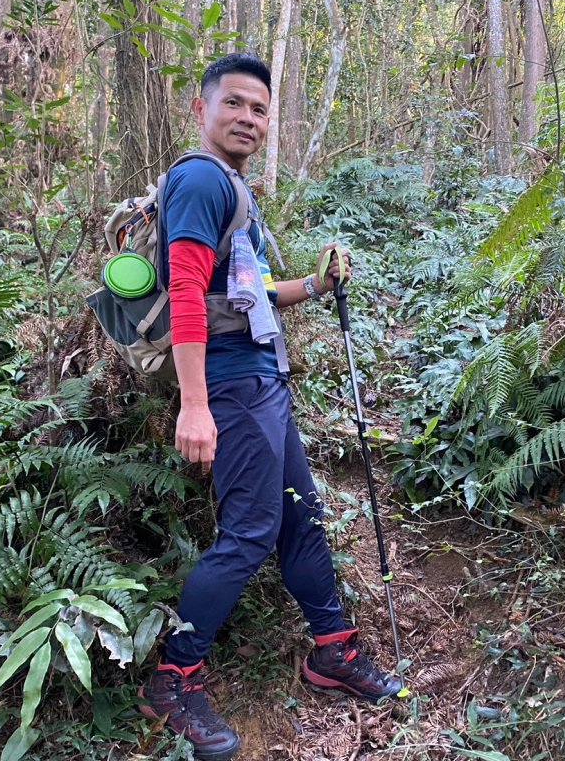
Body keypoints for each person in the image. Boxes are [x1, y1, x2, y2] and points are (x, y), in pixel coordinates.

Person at [138, 53, 401, 761]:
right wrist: (195, 405)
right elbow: (187, 293)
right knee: (252, 531)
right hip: (231, 385)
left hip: (262, 381)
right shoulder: (200, 180)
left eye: (259, 108)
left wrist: (315, 286)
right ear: (201, 109)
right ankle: (173, 678)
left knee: (299, 517)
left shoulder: (234, 190)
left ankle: (331, 651)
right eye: (234, 103)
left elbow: (246, 294)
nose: (247, 118)